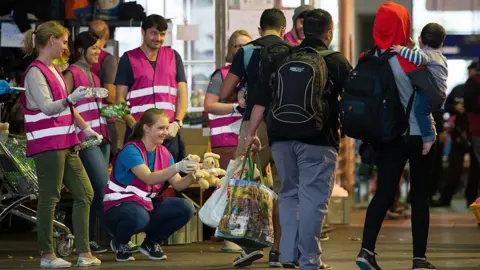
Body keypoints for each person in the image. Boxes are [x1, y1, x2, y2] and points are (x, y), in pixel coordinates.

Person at [247, 8, 352, 270]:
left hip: (280, 137)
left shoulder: (281, 57)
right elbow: (352, 102)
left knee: (289, 195)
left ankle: (287, 255)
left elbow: (260, 100)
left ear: (302, 31)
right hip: (318, 139)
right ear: (329, 32)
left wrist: (250, 134)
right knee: (313, 201)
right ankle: (309, 260)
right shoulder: (336, 61)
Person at [354, 2, 446, 270]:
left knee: (383, 193)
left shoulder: (366, 57)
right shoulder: (408, 58)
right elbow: (437, 99)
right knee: (418, 197)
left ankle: (366, 250)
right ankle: (419, 259)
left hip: (386, 136)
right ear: (404, 26)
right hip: (418, 136)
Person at [21, 21, 101, 268]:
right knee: (49, 197)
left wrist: (86, 129)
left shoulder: (53, 69)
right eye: (64, 41)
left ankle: (83, 252)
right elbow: (47, 107)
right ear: (52, 40)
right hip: (48, 145)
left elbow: (68, 106)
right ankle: (47, 255)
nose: (66, 47)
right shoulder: (35, 72)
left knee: (85, 193)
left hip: (67, 143)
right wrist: (69, 99)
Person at [219, 8, 287, 268]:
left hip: (254, 126)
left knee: (246, 184)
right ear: (283, 30)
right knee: (284, 190)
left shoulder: (247, 51)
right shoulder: (292, 51)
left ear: (259, 30)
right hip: (285, 125)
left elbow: (225, 91)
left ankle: (248, 246)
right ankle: (279, 251)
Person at [103, 108, 197, 262]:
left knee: (186, 208)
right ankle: (120, 242)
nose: (165, 132)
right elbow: (148, 178)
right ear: (146, 128)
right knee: (139, 217)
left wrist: (195, 175)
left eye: (167, 128)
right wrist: (178, 166)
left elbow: (179, 184)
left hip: (144, 205)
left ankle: (150, 243)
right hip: (117, 207)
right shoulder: (131, 150)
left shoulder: (164, 153)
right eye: (160, 128)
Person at [115, 14, 187, 162]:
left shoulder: (174, 57)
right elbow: (118, 100)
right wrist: (133, 124)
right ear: (143, 32)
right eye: (154, 33)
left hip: (168, 132)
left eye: (162, 34)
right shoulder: (128, 59)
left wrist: (177, 123)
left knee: (170, 178)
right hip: (139, 132)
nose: (158, 38)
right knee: (138, 179)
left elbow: (182, 94)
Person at [63, 31, 111, 254]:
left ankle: (90, 239)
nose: (98, 53)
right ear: (81, 50)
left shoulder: (96, 76)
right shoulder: (71, 73)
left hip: (102, 138)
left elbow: (98, 106)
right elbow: (64, 104)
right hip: (85, 140)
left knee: (93, 190)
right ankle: (108, 237)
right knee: (100, 187)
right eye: (94, 48)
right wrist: (85, 130)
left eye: (99, 49)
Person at [204, 30, 251, 254]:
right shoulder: (221, 75)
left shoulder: (255, 74)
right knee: (228, 189)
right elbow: (209, 105)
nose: (241, 50)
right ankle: (228, 236)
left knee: (246, 189)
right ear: (231, 50)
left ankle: (242, 234)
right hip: (225, 139)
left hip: (249, 139)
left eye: (246, 46)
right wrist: (235, 107)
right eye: (237, 46)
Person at [391, 23, 448, 156]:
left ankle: (428, 138)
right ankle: (428, 136)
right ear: (441, 43)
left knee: (420, 111)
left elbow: (418, 59)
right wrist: (412, 49)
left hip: (430, 93)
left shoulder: (428, 55)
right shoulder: (438, 55)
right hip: (437, 93)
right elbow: (421, 58)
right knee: (423, 112)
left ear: (420, 39)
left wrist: (401, 49)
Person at [433, 62, 480, 207]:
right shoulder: (459, 89)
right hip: (460, 134)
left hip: (474, 132)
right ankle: (445, 198)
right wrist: (455, 107)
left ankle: (471, 199)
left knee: (476, 169)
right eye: (471, 71)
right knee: (454, 168)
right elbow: (446, 106)